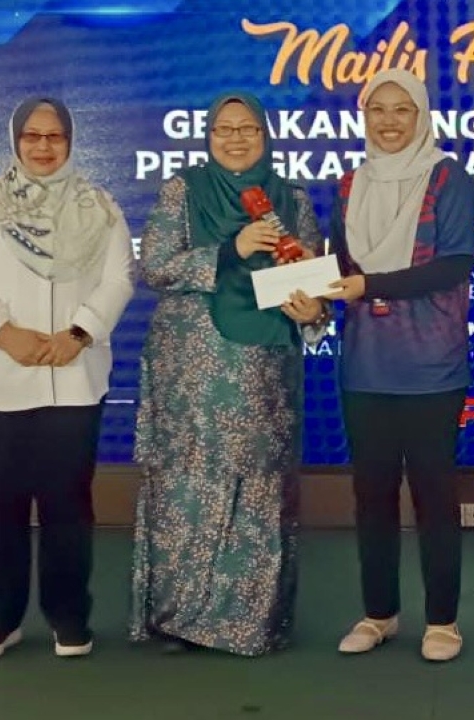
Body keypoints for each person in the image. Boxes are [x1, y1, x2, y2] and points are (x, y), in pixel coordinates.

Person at [0, 97, 134, 659]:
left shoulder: (100, 206)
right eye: (32, 136)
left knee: (69, 501)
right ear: (15, 140)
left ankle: (69, 616)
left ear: (70, 141)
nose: (43, 147)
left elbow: (118, 280)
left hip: (74, 376)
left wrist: (79, 332)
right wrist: (4, 332)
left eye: (55, 137)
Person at [129, 92, 327, 656]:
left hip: (266, 366)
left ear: (265, 135)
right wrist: (229, 248)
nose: (236, 137)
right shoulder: (183, 190)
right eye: (224, 128)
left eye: (248, 129)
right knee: (189, 483)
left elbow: (308, 275)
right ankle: (180, 617)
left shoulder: (289, 196)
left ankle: (249, 621)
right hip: (193, 366)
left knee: (260, 484)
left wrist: (315, 312)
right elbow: (156, 267)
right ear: (208, 134)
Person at [327, 69, 474, 662]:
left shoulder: (448, 178)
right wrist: (312, 291)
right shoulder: (349, 185)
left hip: (431, 368)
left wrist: (367, 283)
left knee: (435, 496)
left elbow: (454, 264)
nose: (389, 122)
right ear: (364, 118)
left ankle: (443, 621)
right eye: (378, 111)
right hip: (365, 365)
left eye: (403, 111)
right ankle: (378, 614)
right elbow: (338, 264)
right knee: (371, 495)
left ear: (421, 117)